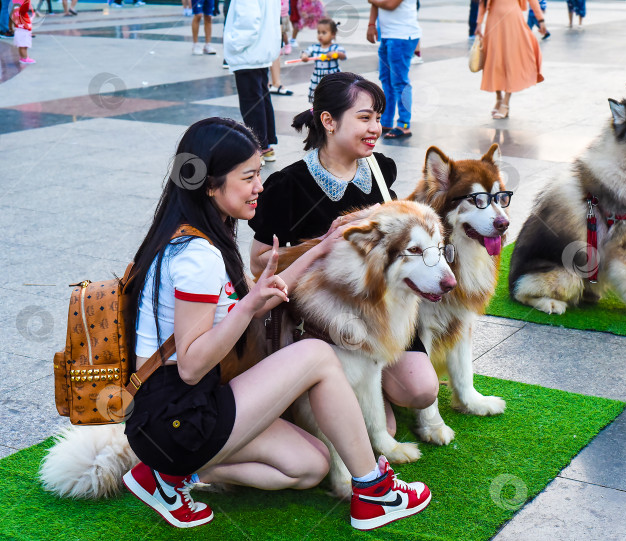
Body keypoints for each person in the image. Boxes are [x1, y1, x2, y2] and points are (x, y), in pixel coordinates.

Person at [120, 117, 432, 530]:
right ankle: (374, 492)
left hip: (176, 412)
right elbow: (193, 365)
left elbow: (264, 292)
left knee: (310, 467)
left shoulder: (195, 236)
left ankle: (169, 476)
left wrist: (320, 248)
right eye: (249, 177)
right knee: (319, 354)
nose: (260, 187)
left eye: (259, 174)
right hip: (178, 415)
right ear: (210, 184)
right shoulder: (198, 256)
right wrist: (248, 307)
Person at [248, 72, 440, 439]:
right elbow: (259, 260)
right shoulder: (287, 185)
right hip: (326, 319)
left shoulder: (381, 171)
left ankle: (373, 378)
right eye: (365, 118)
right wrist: (323, 248)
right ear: (329, 121)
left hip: (382, 311)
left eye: (378, 118)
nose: (375, 128)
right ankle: (348, 385)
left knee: (420, 390)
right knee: (378, 431)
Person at [224, 0, 280, 162]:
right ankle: (266, 145)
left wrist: (234, 44)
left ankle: (258, 148)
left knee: (251, 102)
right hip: (261, 50)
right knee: (261, 98)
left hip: (248, 52)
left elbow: (247, 20)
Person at [475, 0, 544, 119]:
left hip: (513, 21)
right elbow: (483, 2)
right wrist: (479, 22)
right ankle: (498, 98)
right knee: (494, 60)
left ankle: (505, 103)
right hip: (493, 20)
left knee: (510, 60)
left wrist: (541, 19)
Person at [366, 0, 421, 139]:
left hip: (402, 36)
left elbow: (391, 4)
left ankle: (404, 124)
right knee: (386, 79)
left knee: (400, 82)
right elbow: (377, 3)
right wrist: (371, 24)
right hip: (387, 35)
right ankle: (386, 121)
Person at [301, 18, 346, 103]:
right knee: (317, 96)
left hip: (332, 77)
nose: (320, 35)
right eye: (318, 32)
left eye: (324, 33)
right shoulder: (315, 47)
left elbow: (343, 55)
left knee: (332, 96)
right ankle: (317, 111)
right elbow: (306, 52)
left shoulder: (335, 48)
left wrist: (336, 54)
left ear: (333, 34)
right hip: (318, 77)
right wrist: (304, 56)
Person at [11, 0, 34, 64]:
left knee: (21, 45)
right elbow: (25, 7)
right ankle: (25, 58)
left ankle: (22, 57)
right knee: (24, 45)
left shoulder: (15, 11)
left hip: (20, 30)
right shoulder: (21, 11)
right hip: (23, 31)